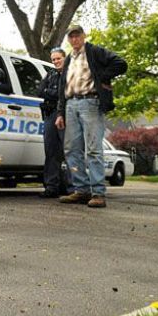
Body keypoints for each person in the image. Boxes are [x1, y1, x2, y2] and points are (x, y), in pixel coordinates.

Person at [55, 25, 127, 208]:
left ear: (83, 36)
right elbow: (63, 88)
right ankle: (81, 190)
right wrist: (60, 112)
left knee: (93, 149)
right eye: (71, 37)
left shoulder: (94, 51)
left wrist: (101, 76)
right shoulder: (69, 58)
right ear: (68, 40)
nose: (74, 40)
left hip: (91, 103)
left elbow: (121, 63)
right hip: (70, 104)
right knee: (71, 149)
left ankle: (98, 193)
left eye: (77, 36)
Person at [37, 47, 70, 198]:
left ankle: (73, 188)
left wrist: (50, 93)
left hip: (65, 114)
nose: (56, 61)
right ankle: (51, 187)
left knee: (69, 152)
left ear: (65, 58)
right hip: (50, 115)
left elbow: (65, 94)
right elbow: (39, 91)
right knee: (51, 152)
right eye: (54, 59)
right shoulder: (50, 74)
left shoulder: (70, 74)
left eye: (58, 58)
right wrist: (54, 94)